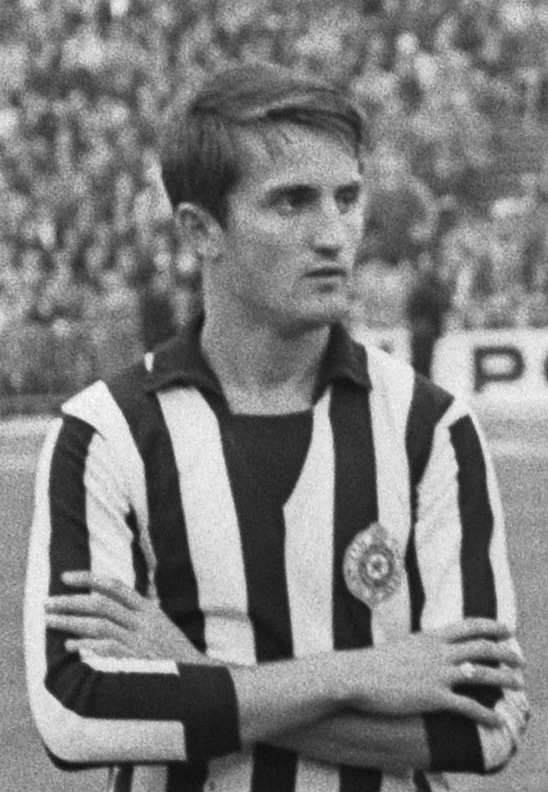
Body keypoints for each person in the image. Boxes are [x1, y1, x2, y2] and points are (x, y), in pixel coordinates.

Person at [24, 63, 529, 792]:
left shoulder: (431, 427)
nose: (333, 234)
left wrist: (194, 671)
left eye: (347, 198)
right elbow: (77, 714)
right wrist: (361, 675)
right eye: (292, 202)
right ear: (201, 229)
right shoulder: (103, 433)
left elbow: (484, 726)